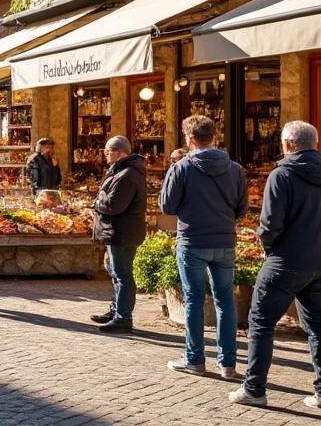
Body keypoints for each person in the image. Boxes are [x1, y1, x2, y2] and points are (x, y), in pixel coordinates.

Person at [230, 121, 321, 409]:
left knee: (260, 323)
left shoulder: (282, 175)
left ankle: (254, 388)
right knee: (318, 325)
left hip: (285, 261)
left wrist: (270, 247)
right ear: (315, 144)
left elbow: (269, 224)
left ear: (288, 145)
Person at [159, 115, 248, 377]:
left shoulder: (182, 167)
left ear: (189, 138)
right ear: (214, 137)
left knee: (194, 301)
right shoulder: (234, 169)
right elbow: (241, 209)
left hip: (193, 241)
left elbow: (167, 206)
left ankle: (195, 360)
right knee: (225, 301)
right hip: (223, 241)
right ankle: (228, 363)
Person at [92, 136, 147, 334]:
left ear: (120, 152)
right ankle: (116, 311)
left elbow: (113, 205)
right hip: (118, 231)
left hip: (122, 232)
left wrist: (97, 203)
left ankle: (123, 318)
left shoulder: (127, 174)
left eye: (108, 151)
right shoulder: (122, 171)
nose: (106, 155)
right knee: (116, 273)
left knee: (122, 274)